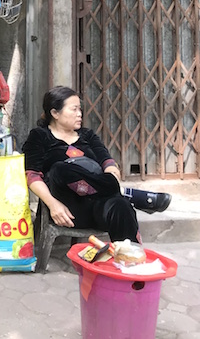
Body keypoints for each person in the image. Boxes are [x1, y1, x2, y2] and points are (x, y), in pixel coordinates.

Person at [22, 86, 171, 243]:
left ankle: (129, 259)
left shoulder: (88, 135)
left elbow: (110, 165)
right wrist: (53, 205)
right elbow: (32, 175)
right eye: (74, 109)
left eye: (80, 109)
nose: (80, 114)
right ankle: (124, 192)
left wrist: (111, 176)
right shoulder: (40, 136)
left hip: (99, 206)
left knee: (121, 205)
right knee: (59, 169)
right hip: (70, 209)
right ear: (55, 113)